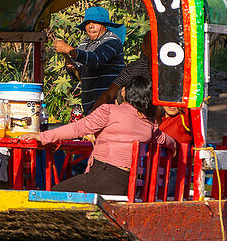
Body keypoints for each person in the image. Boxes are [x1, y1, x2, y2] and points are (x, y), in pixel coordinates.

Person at [38, 75, 174, 196]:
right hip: (128, 185)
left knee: (54, 193)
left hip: (103, 177)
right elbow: (168, 141)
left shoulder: (109, 111)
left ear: (125, 92)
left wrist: (42, 136)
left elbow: (78, 128)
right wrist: (174, 148)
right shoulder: (150, 124)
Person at [51, 6, 125, 113]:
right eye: (88, 23)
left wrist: (69, 50)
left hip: (110, 106)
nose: (91, 26)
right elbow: (80, 75)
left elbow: (95, 60)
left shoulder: (111, 41)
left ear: (104, 26)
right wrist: (72, 68)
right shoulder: (83, 44)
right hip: (90, 106)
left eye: (95, 22)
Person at [94, 29, 154, 109]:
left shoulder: (173, 68)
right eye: (152, 46)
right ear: (144, 48)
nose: (157, 50)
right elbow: (109, 94)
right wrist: (94, 115)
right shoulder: (134, 68)